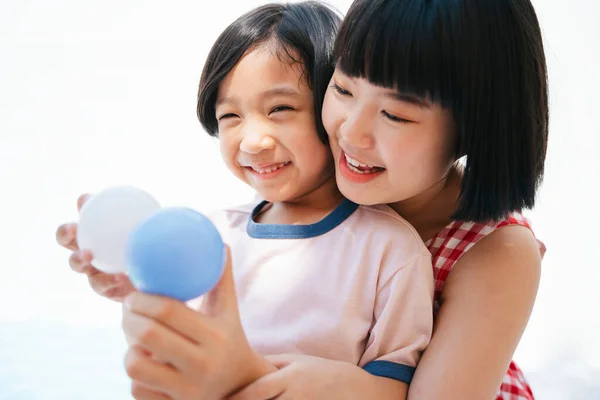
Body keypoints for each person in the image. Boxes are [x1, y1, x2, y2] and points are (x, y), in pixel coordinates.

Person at [57, 0, 548, 398]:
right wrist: (147, 277)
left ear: (473, 132)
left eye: (396, 115)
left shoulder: (495, 252)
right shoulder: (302, 199)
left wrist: (250, 375)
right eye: (343, 88)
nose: (351, 133)